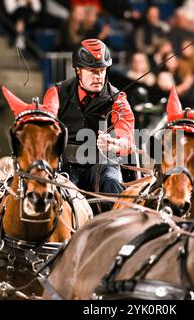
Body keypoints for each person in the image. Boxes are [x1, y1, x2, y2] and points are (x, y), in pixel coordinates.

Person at [51, 39, 135, 212]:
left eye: (102, 70)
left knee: (111, 184)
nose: (98, 76)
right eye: (92, 71)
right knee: (58, 193)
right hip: (66, 164)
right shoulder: (56, 93)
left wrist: (115, 144)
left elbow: (127, 140)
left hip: (103, 163)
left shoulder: (118, 99)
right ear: (78, 70)